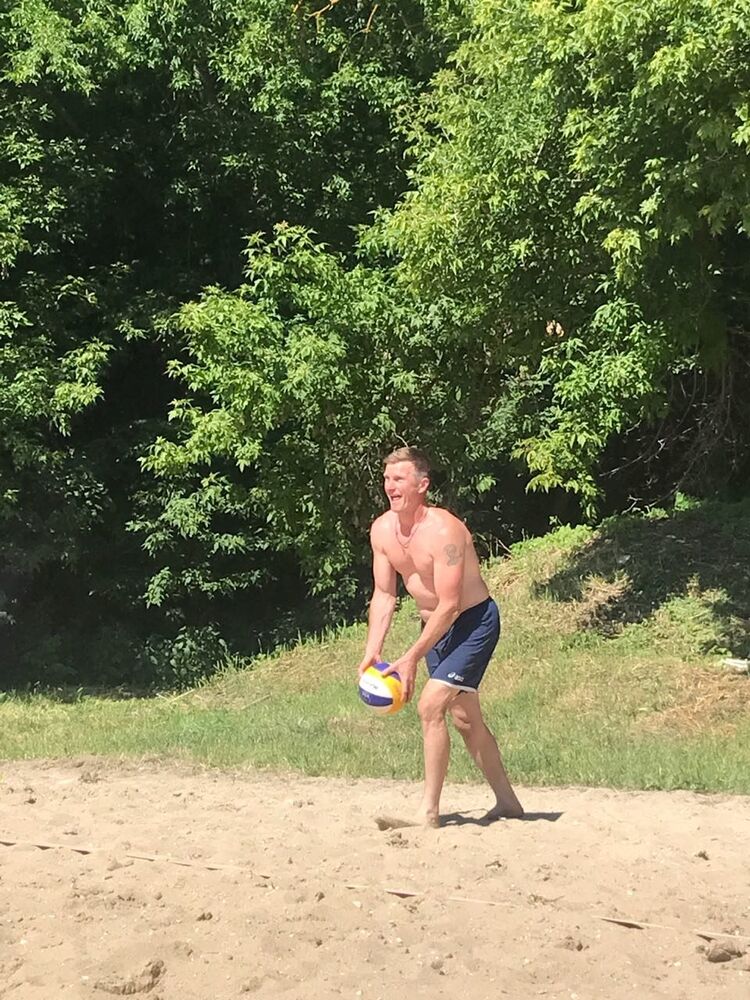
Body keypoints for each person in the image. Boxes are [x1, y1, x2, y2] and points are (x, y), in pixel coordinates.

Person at [357, 446, 524, 828]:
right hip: (434, 629)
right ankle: (508, 802)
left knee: (430, 706)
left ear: (422, 485)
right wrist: (372, 650)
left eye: (399, 479)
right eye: (387, 479)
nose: (390, 486)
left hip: (472, 623)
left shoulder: (445, 531)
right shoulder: (382, 530)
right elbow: (384, 595)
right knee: (465, 719)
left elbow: (450, 605)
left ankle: (428, 813)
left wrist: (411, 657)